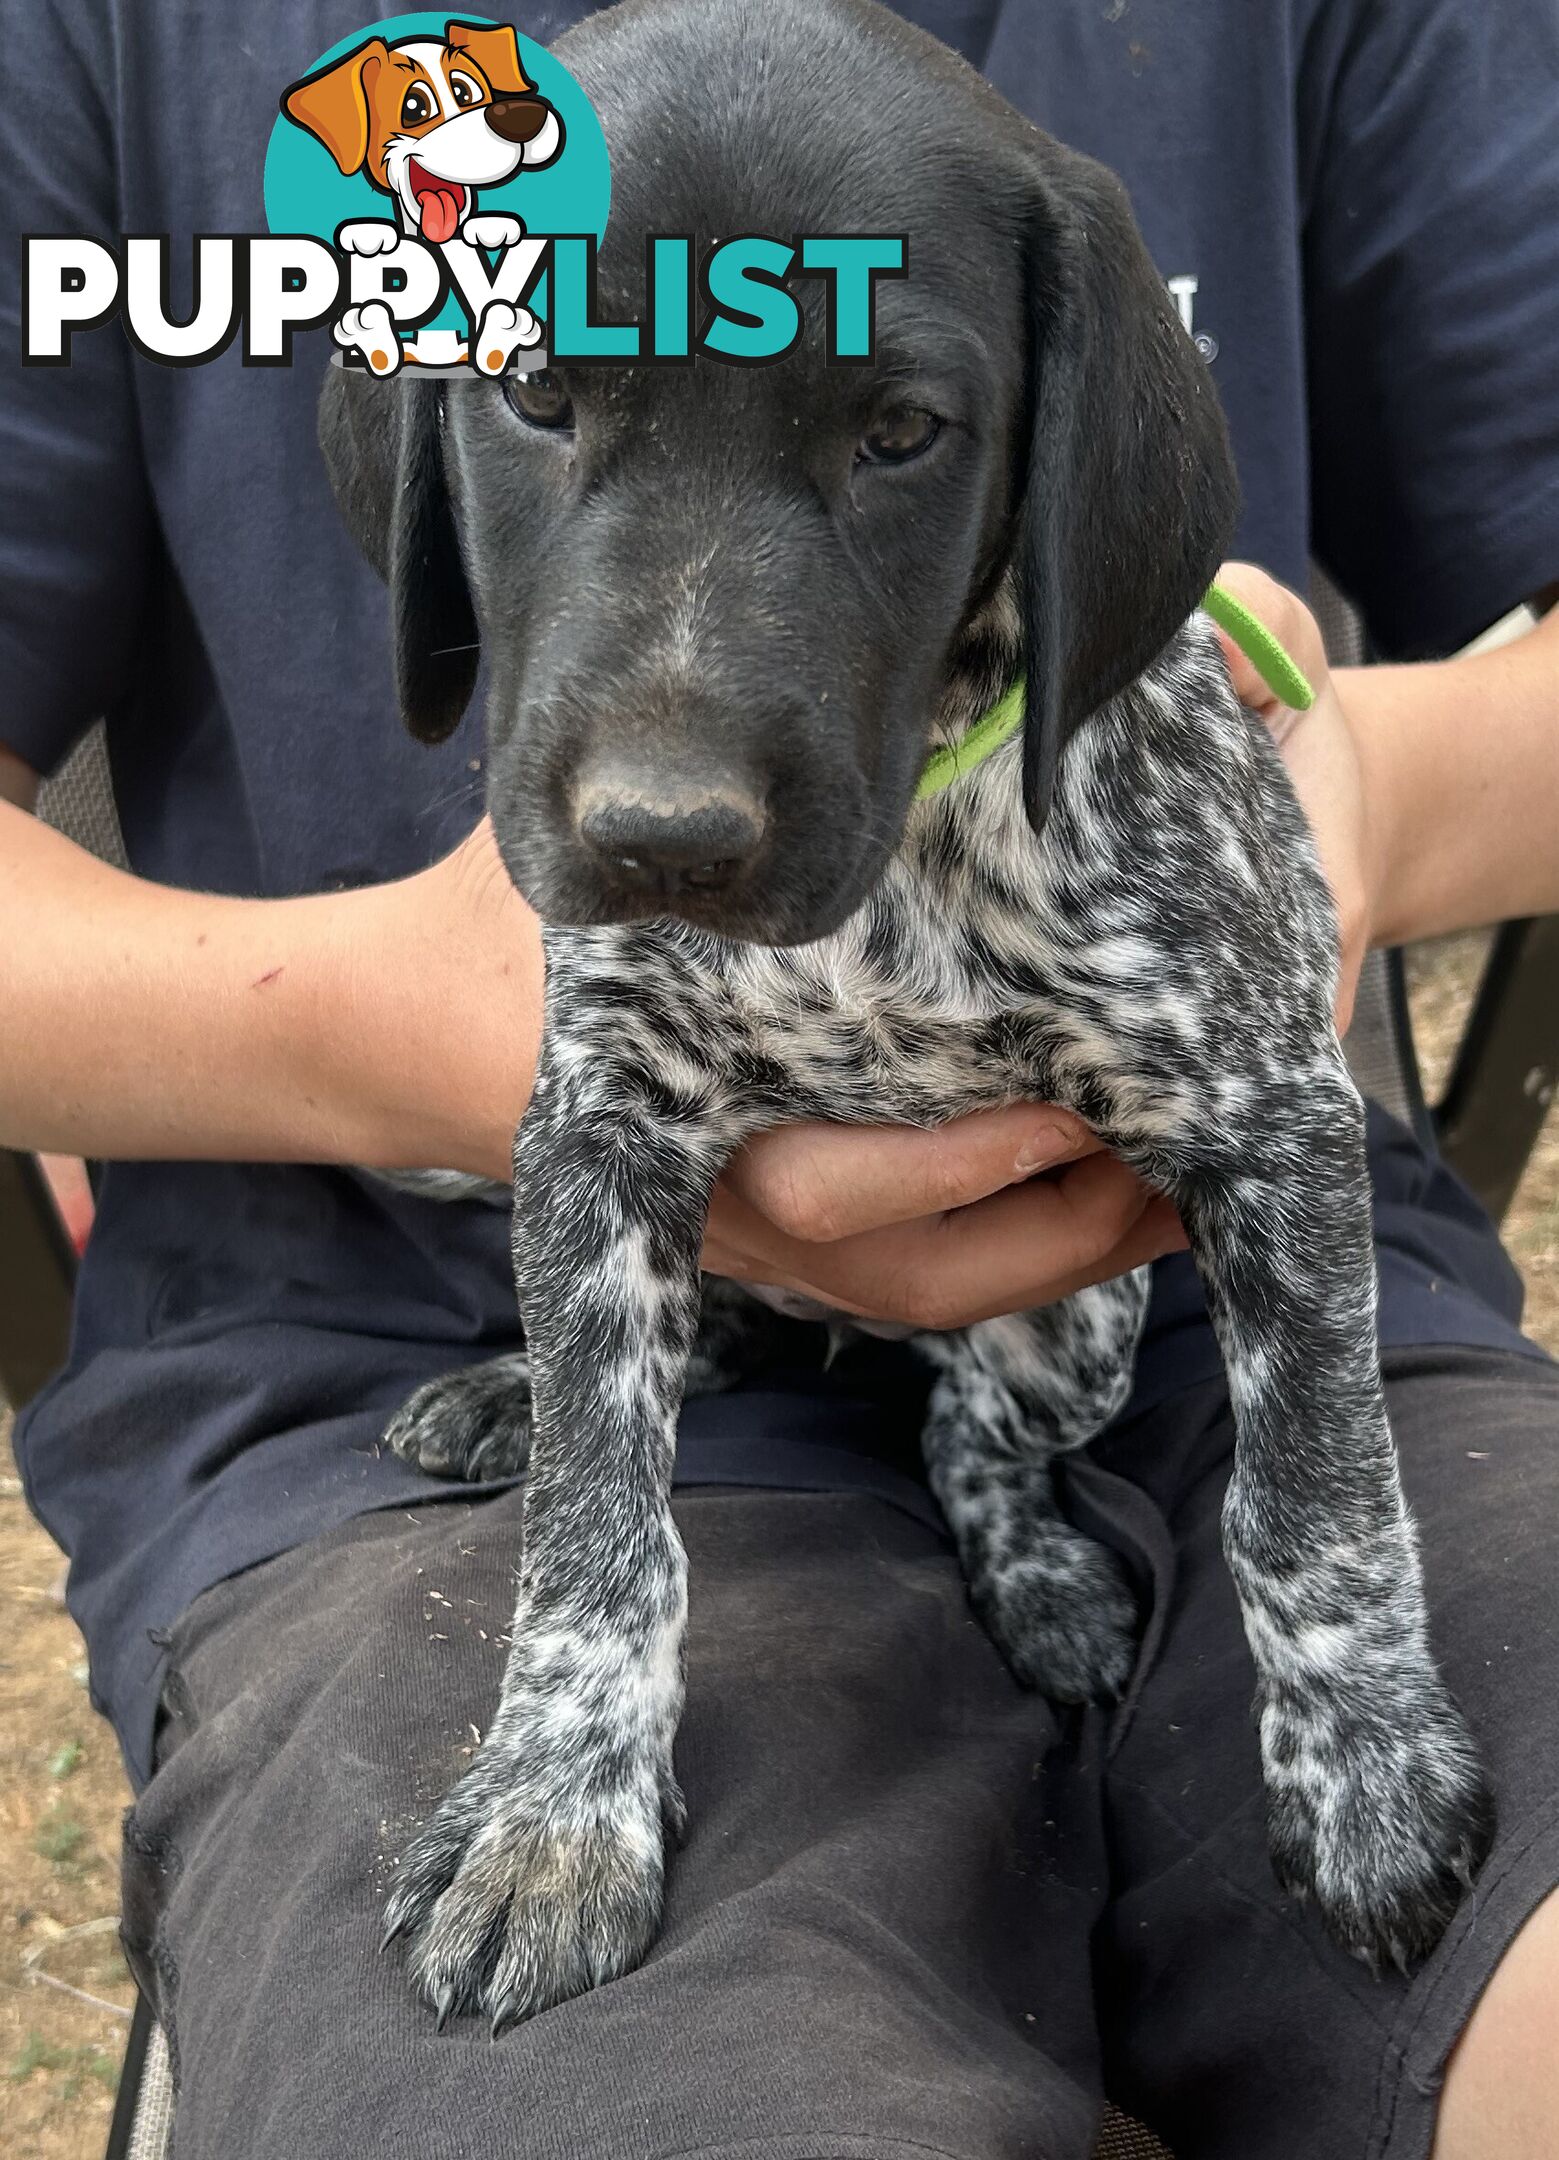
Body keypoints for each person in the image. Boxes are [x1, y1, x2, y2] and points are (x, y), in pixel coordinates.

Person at [2, 1, 1557, 2154]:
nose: (670, 755)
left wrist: (1372, 785)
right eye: (551, 398)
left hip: (1198, 1321)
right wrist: (416, 1029)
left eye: (893, 432)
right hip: (391, 1358)